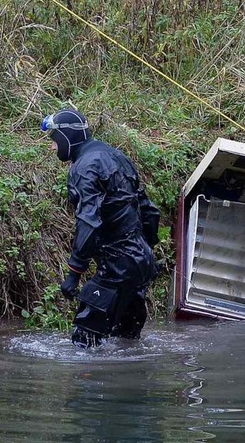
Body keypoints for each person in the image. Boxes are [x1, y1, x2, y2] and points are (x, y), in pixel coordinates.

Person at [42, 109, 161, 347]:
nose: (52, 147)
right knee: (126, 341)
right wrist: (144, 252)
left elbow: (88, 221)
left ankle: (87, 382)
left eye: (54, 140)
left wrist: (74, 273)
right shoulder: (117, 156)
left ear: (67, 137)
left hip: (118, 266)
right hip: (140, 262)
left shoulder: (85, 167)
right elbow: (148, 210)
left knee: (83, 343)